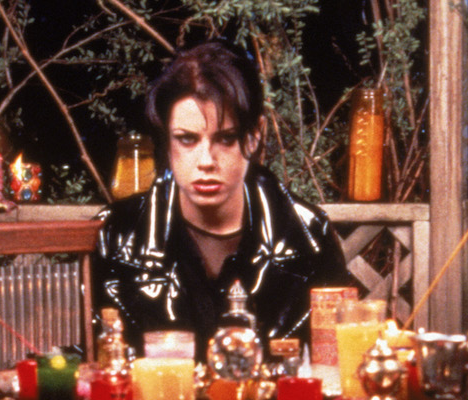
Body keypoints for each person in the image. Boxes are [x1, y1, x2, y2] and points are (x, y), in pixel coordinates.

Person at [92, 40, 354, 359]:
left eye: (226, 139)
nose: (206, 160)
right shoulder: (113, 237)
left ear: (255, 135)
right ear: (167, 140)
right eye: (187, 140)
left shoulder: (308, 238)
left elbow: (342, 365)